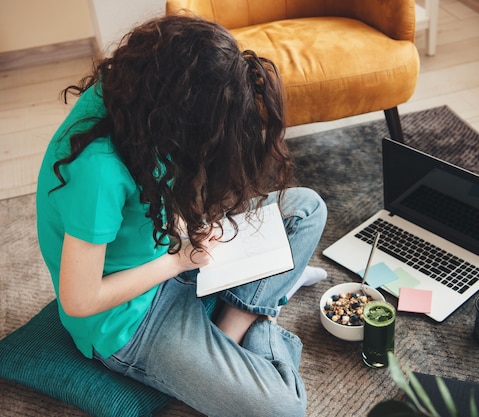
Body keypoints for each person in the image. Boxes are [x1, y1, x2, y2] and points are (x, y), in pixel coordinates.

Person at [36, 14, 328, 417]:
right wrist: (178, 259)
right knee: (283, 410)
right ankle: (259, 318)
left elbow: (159, 187)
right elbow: (79, 299)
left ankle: (229, 331)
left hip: (174, 249)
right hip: (130, 317)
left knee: (307, 209)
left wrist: (187, 227)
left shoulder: (138, 103)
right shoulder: (99, 170)